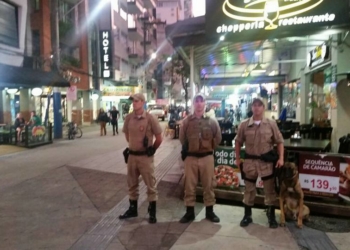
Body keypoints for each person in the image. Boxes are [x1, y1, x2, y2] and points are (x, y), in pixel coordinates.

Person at [235, 97, 284, 229]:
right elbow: (238, 141)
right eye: (254, 105)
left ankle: (271, 215)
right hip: (250, 162)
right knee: (249, 190)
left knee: (269, 190)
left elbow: (279, 141)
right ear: (251, 108)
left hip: (266, 163)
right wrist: (237, 158)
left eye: (259, 105)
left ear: (263, 107)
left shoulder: (271, 124)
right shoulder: (244, 124)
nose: (256, 107)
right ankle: (247, 215)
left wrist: (281, 158)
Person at [119, 93, 163, 224]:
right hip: (132, 156)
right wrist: (134, 145)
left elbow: (159, 138)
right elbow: (127, 135)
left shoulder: (150, 118)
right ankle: (133, 209)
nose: (134, 103)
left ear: (143, 102)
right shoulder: (128, 118)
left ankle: (152, 211)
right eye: (133, 101)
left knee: (150, 184)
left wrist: (152, 150)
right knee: (131, 183)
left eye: (137, 101)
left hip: (145, 157)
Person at [179, 93, 222, 223]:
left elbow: (218, 138)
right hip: (191, 158)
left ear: (205, 104)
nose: (199, 103)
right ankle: (189, 212)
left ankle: (210, 211)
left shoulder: (212, 121)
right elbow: (182, 138)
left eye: (201, 101)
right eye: (196, 101)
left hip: (206, 157)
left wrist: (208, 148)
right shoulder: (186, 122)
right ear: (193, 104)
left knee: (208, 185)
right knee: (189, 186)